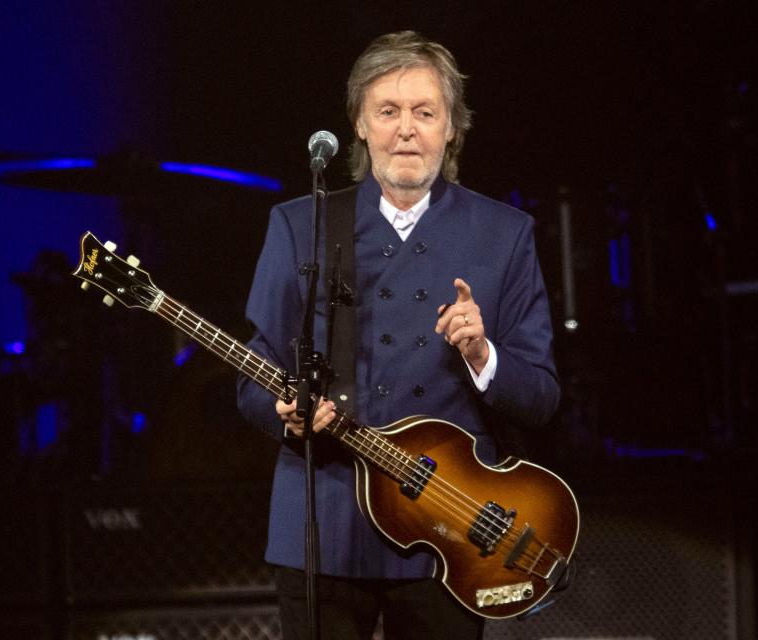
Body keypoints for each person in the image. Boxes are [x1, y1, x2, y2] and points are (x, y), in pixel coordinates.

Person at [237, 30, 559, 640]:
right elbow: (253, 373)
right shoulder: (299, 224)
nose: (405, 129)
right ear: (359, 125)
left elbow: (541, 396)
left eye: (424, 112)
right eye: (387, 111)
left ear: (451, 129)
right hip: (323, 525)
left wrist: (482, 354)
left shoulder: (505, 233)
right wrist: (284, 413)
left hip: (449, 534)